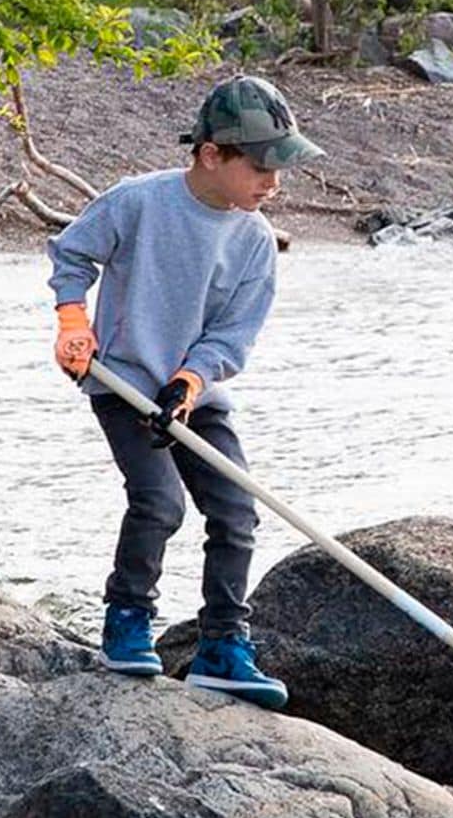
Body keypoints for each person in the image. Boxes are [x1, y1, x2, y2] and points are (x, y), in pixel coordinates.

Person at [48, 74, 324, 710]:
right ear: (211, 156)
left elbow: (233, 334)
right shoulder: (138, 202)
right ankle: (126, 623)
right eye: (260, 166)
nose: (273, 183)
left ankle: (223, 645)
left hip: (194, 395)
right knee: (159, 502)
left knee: (236, 513)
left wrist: (192, 381)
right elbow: (72, 254)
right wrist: (71, 322)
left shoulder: (255, 241)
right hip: (123, 384)